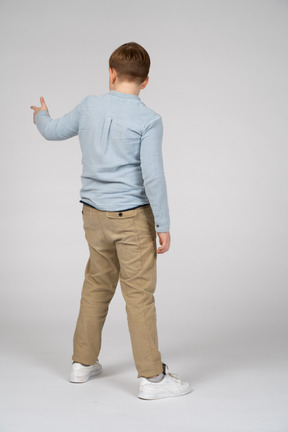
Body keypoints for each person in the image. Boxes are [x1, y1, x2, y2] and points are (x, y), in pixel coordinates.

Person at [30, 42, 192, 400]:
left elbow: (52, 130)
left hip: (92, 216)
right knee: (138, 297)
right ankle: (152, 378)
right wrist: (162, 224)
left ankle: (81, 363)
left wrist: (41, 114)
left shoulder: (90, 105)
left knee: (96, 287)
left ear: (111, 72)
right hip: (131, 221)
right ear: (146, 81)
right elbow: (153, 176)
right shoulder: (149, 119)